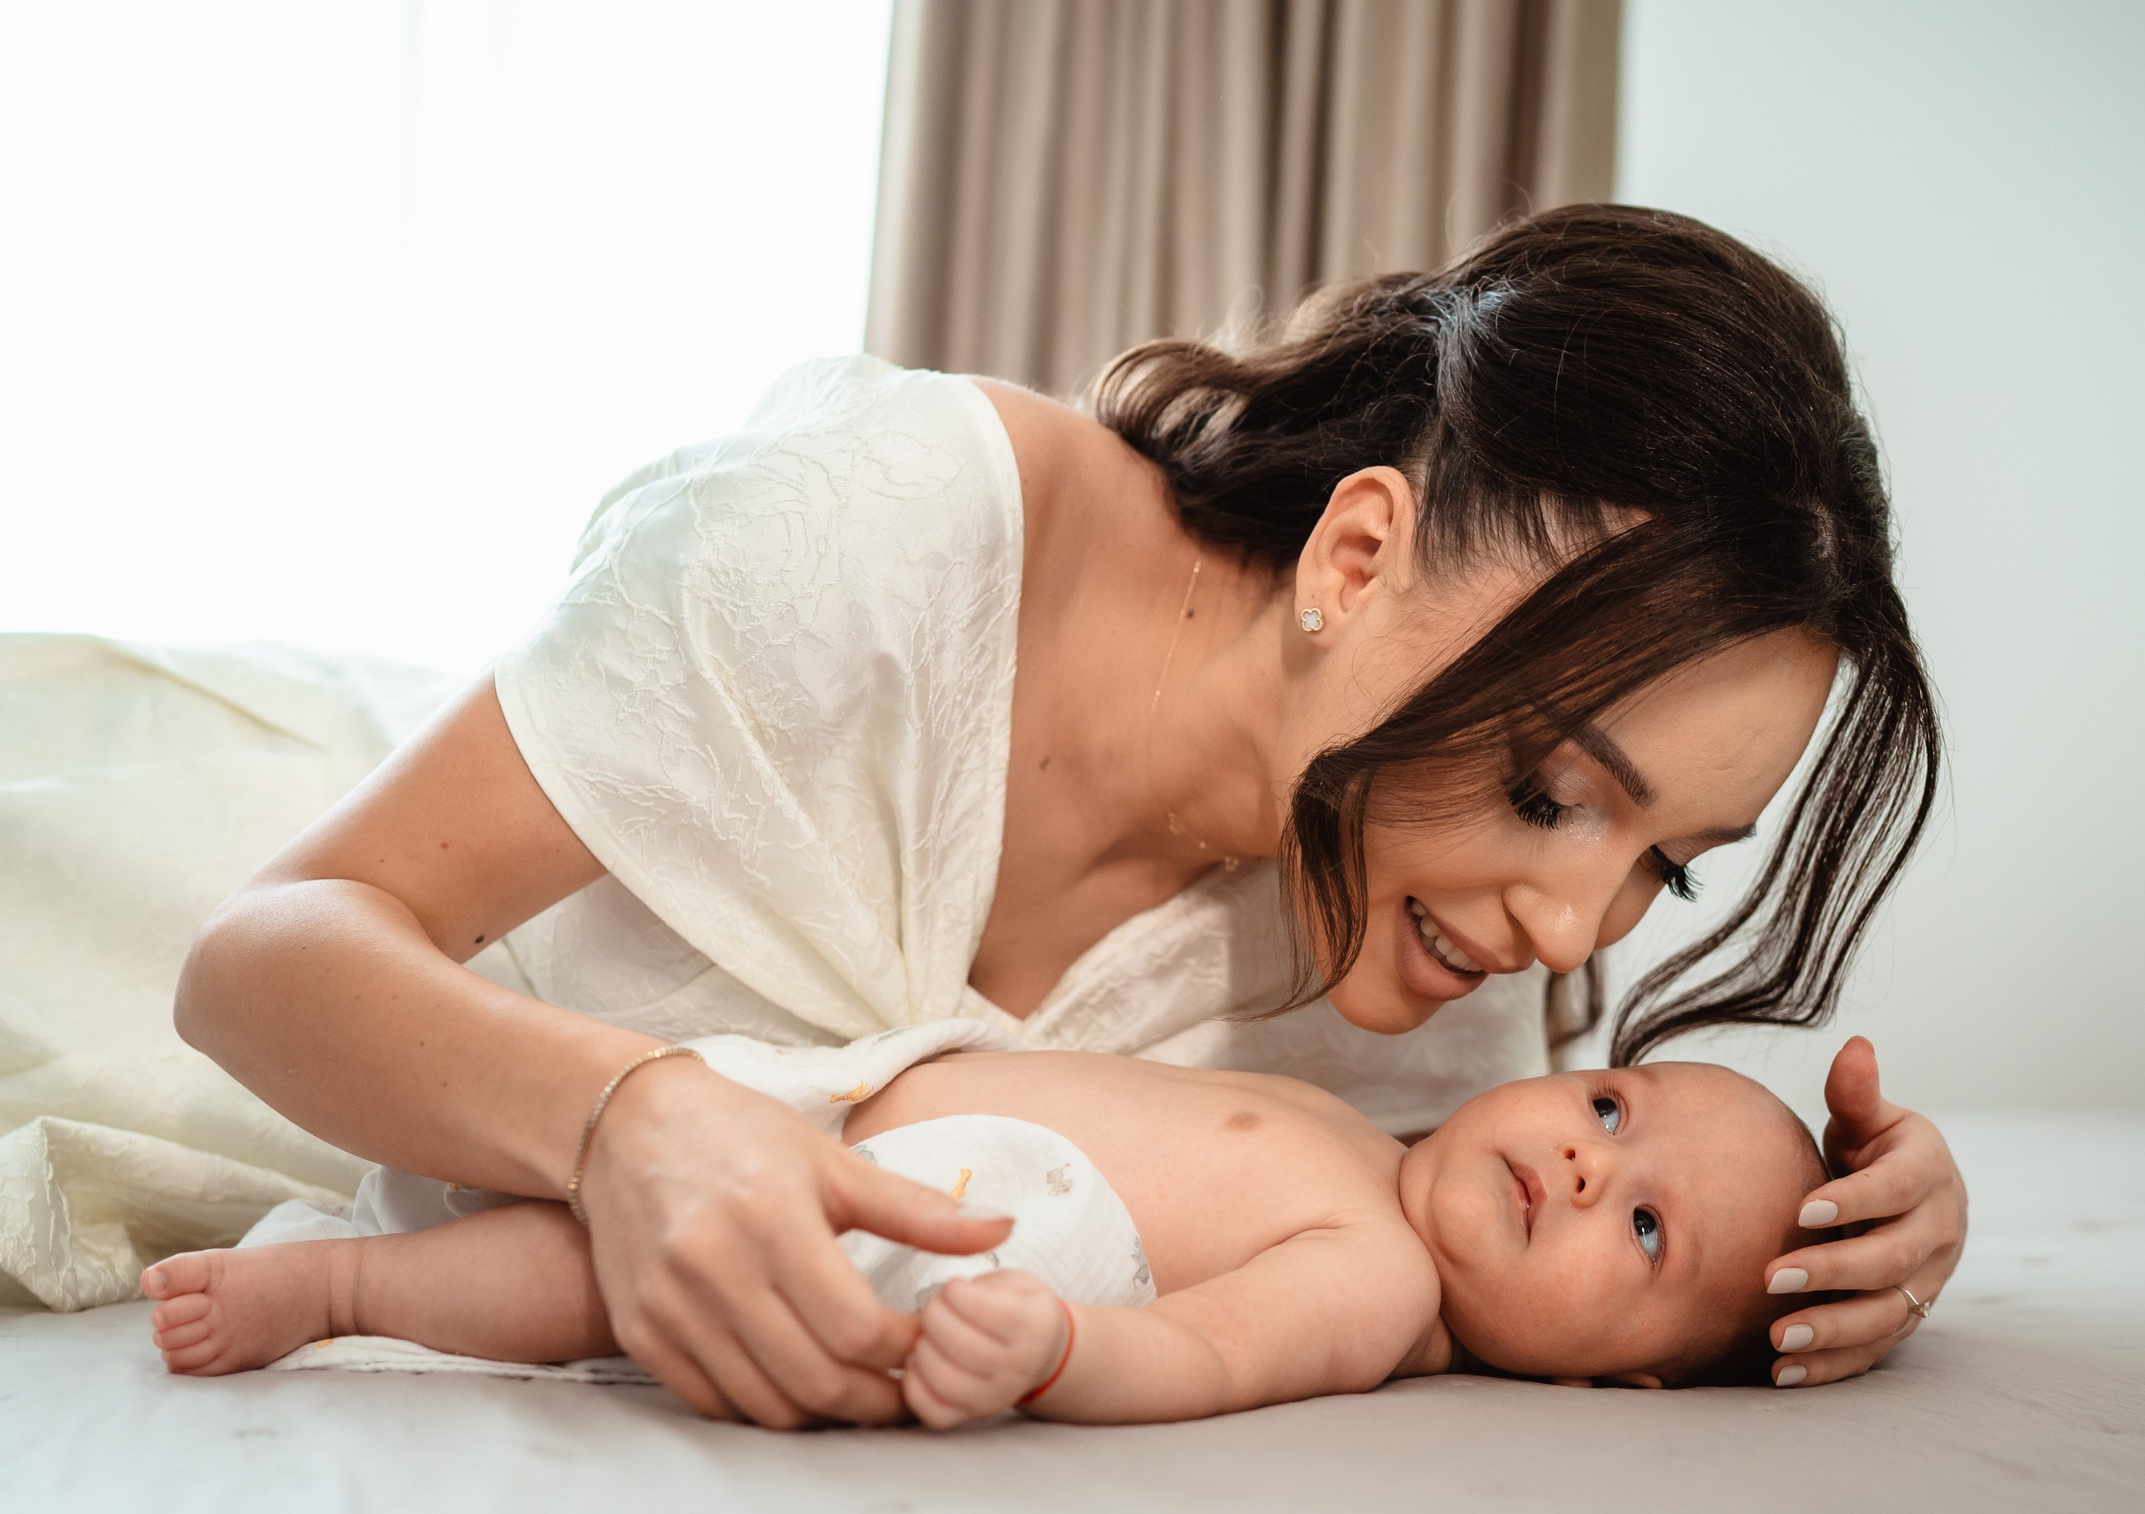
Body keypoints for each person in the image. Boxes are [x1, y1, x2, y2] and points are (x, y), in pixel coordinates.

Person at [169, 205, 1966, 1428]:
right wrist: (622, 1119)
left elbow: (1548, 1249)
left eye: (1662, 867)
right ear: (1357, 555)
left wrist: (1836, 1257)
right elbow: (253, 961)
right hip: (337, 881)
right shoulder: (876, 540)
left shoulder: (1435, 972)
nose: (1571, 933)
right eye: (1546, 791)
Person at [139, 1021, 1862, 1423]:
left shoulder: (1382, 1279)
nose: (1586, 1166)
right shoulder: (1380, 1130)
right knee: (593, 1177)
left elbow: (1205, 1355)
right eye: (1612, 1110)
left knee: (595, 1281)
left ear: (1625, 1383)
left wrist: (1058, 1350)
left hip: (970, 1231)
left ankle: (342, 1288)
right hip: (854, 1107)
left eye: (1646, 1235)